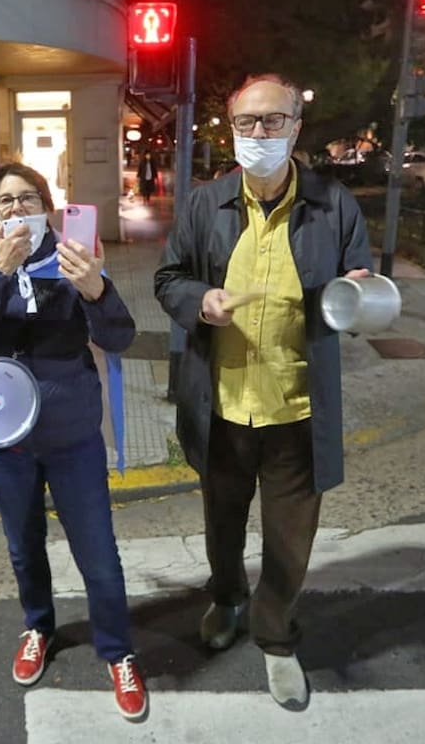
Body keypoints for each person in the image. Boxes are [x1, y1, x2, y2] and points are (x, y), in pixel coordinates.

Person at [153, 73, 373, 710]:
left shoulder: (335, 206)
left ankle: (276, 635)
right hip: (218, 404)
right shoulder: (203, 204)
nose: (259, 134)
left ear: (297, 128)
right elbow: (167, 279)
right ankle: (227, 600)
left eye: (273, 121)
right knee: (222, 523)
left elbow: (357, 291)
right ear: (231, 130)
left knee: (289, 536)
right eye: (247, 123)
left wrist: (356, 293)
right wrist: (200, 301)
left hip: (297, 409)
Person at [0, 162, 148, 721]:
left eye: (27, 198)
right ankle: (38, 626)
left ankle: (118, 650)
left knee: (98, 551)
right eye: (5, 202)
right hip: (4, 435)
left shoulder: (73, 256)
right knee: (23, 543)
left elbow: (119, 336)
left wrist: (94, 287)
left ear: (47, 207)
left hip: (72, 430)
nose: (16, 209)